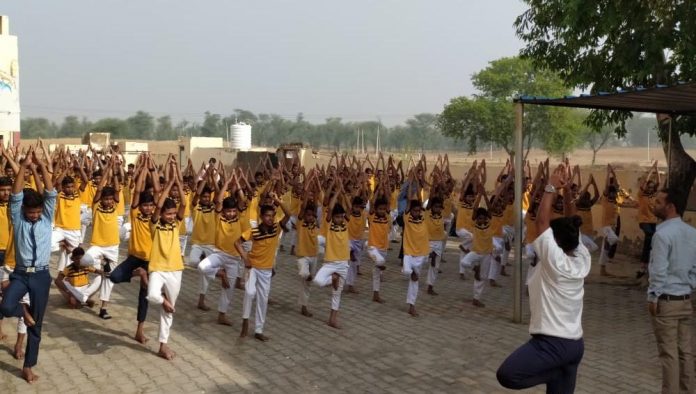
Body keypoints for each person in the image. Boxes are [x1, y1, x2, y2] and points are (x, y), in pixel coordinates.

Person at [497, 163, 590, 394]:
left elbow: (541, 223)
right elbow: (573, 222)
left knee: (508, 375)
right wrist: (567, 191)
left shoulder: (554, 262)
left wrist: (550, 187)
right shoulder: (581, 256)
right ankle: (559, 370)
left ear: (555, 243)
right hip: (574, 344)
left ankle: (556, 371)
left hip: (551, 344)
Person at [0, 146, 57, 383]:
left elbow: (51, 192)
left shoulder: (46, 217)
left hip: (42, 276)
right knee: (5, 307)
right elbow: (15, 195)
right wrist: (23, 167)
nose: (33, 215)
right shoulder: (18, 219)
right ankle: (23, 311)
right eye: (30, 212)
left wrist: (41, 166)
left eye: (36, 212)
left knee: (37, 325)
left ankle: (28, 366)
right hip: (21, 275)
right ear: (23, 211)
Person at [647, 186, 696, 394]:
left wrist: (652, 296)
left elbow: (658, 270)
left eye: (659, 202)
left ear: (671, 207)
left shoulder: (662, 235)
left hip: (666, 301)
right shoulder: (692, 232)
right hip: (685, 300)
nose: (654, 205)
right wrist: (689, 285)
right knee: (686, 352)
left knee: (669, 354)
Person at [108, 158, 155, 344]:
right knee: (114, 277)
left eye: (151, 205)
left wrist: (152, 171)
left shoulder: (155, 218)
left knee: (144, 296)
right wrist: (143, 170)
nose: (148, 208)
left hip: (150, 260)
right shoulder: (135, 214)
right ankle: (138, 273)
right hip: (135, 258)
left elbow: (157, 192)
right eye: (145, 205)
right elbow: (137, 192)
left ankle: (139, 330)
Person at [238, 189, 290, 341]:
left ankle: (259, 330)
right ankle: (245, 322)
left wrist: (278, 201)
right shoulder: (253, 231)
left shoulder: (276, 228)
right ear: (261, 217)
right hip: (252, 268)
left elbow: (288, 215)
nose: (270, 218)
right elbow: (237, 242)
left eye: (272, 216)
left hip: (266, 271)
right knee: (249, 292)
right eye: (267, 216)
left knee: (262, 298)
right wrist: (245, 257)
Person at [146, 165, 186, 360]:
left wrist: (177, 180)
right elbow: (159, 206)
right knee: (153, 296)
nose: (171, 217)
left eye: (172, 214)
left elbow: (184, 205)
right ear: (161, 215)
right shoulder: (154, 225)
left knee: (168, 313)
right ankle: (165, 300)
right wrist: (169, 184)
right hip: (157, 268)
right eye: (168, 214)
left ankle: (163, 345)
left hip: (175, 270)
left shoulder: (176, 224)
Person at [198, 174, 244, 327]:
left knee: (228, 289)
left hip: (234, 259)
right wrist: (227, 184)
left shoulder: (239, 217)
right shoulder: (219, 217)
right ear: (223, 211)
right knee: (201, 266)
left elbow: (242, 200)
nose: (231, 213)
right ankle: (219, 273)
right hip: (219, 254)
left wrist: (237, 182)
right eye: (228, 211)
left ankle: (222, 315)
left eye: (233, 211)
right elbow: (218, 199)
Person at [313, 179, 350, 328]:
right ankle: (333, 279)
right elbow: (331, 207)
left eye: (341, 217)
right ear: (333, 217)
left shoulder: (346, 224)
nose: (340, 219)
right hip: (330, 262)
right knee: (318, 281)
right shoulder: (329, 224)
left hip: (343, 263)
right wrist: (337, 193)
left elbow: (349, 208)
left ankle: (332, 319)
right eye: (337, 217)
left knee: (337, 293)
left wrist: (343, 192)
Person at [637, 161, 659, 278]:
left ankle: (646, 266)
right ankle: (643, 265)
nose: (650, 189)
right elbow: (645, 183)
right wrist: (651, 170)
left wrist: (657, 169)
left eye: (651, 188)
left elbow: (658, 183)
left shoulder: (653, 196)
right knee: (649, 235)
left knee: (653, 241)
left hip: (653, 221)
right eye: (648, 187)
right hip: (644, 221)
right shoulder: (641, 195)